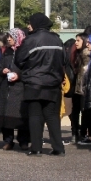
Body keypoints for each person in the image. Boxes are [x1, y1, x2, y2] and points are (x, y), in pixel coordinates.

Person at [15, 13, 66, 157]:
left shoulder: (30, 40)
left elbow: (19, 59)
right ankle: (58, 148)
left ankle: (36, 148)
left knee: (35, 115)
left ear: (36, 24)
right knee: (52, 116)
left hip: (34, 82)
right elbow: (64, 60)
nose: (28, 26)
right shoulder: (57, 40)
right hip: (53, 83)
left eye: (30, 23)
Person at [0, 29, 30, 151]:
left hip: (20, 88)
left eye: (11, 37)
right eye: (8, 37)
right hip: (7, 88)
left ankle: (23, 140)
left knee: (21, 116)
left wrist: (18, 75)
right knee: (6, 116)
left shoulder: (25, 52)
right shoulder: (7, 51)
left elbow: (28, 69)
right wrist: (3, 70)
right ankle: (8, 140)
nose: (8, 39)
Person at [74, 34, 91, 144]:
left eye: (78, 40)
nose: (76, 42)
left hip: (85, 87)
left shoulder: (86, 53)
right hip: (82, 86)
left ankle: (89, 135)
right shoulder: (81, 53)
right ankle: (86, 134)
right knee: (84, 111)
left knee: (87, 111)